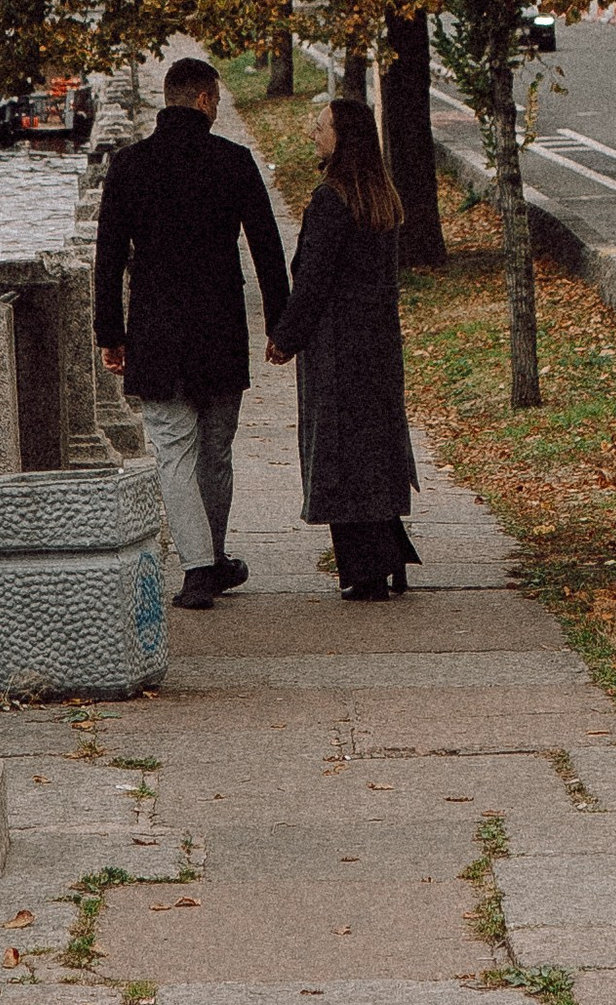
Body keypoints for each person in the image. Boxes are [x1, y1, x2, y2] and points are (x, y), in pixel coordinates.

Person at [95, 53, 289, 612]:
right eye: (218, 99)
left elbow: (109, 258)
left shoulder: (130, 166)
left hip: (155, 333)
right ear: (204, 99)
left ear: (168, 98)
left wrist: (111, 331)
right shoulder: (233, 161)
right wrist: (281, 325)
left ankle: (199, 567)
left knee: (172, 452)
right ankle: (214, 554)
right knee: (217, 452)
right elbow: (267, 250)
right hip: (220, 331)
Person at [268, 92, 419, 600]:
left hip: (336, 343)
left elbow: (313, 279)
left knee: (339, 449)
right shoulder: (381, 196)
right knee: (374, 446)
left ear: (343, 139)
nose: (313, 132)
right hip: (376, 339)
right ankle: (388, 552)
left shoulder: (331, 200)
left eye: (321, 126)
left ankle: (366, 568)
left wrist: (285, 338)